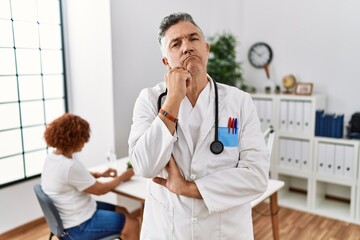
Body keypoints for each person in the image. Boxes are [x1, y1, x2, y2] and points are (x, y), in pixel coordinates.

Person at [128, 12, 269, 239]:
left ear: (206, 48)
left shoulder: (239, 101)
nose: (187, 47)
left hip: (225, 231)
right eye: (176, 43)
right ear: (166, 62)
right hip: (168, 230)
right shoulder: (149, 100)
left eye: (193, 39)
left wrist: (189, 189)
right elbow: (144, 166)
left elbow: (257, 177)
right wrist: (173, 100)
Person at [41, 113, 139, 240]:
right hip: (78, 226)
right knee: (133, 225)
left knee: (122, 210)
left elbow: (71, 178)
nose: (85, 142)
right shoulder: (69, 166)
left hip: (73, 215)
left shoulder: (52, 158)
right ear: (74, 140)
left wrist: (100, 174)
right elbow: (100, 190)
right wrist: (122, 177)